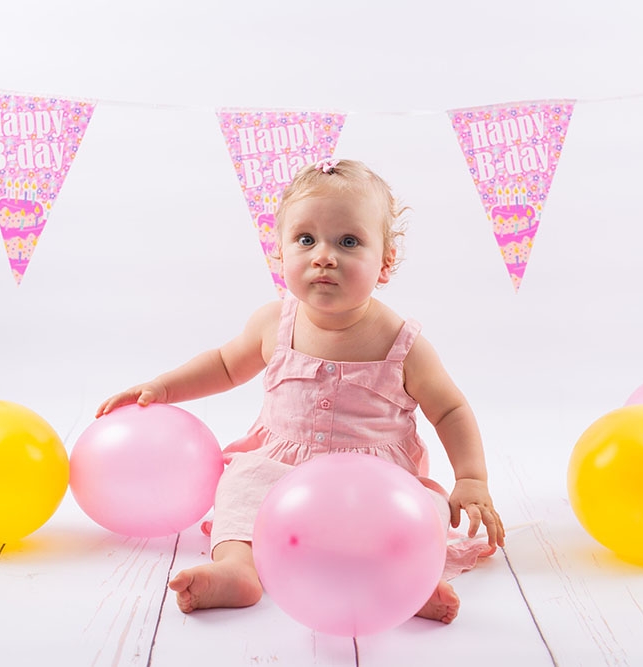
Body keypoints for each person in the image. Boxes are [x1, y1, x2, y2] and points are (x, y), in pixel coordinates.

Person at [96, 158, 505, 624]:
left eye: (348, 242)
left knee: (419, 510)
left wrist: (471, 478)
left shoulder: (403, 344)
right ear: (280, 253)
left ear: (385, 262)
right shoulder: (274, 323)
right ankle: (238, 569)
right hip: (281, 468)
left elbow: (450, 409)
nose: (324, 256)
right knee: (241, 488)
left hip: (371, 481)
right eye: (306, 240)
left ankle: (407, 581)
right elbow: (225, 365)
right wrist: (163, 387)